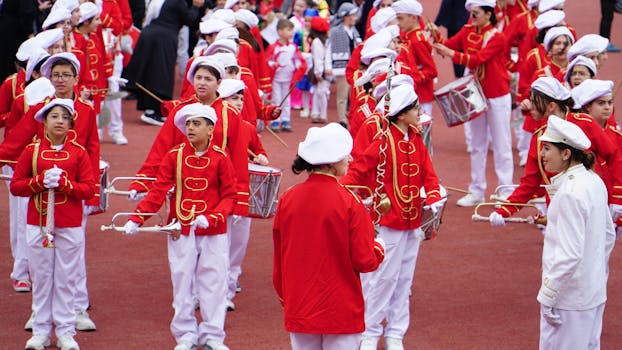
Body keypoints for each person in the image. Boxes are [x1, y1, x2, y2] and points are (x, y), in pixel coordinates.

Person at [123, 103, 237, 350]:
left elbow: (230, 196)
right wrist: (137, 217)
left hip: (213, 230)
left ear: (211, 129)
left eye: (197, 123)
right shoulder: (174, 156)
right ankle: (185, 334)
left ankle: (213, 335)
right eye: (188, 124)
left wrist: (214, 217)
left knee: (214, 282)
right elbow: (158, 191)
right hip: (180, 229)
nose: (191, 128)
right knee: (182, 281)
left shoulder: (221, 157)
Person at [340, 85, 445, 350]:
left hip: (413, 223)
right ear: (400, 114)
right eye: (414, 109)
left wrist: (433, 197)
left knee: (404, 279)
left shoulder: (417, 140)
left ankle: (396, 333)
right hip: (389, 222)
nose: (419, 112)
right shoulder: (383, 142)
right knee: (383, 279)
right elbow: (358, 170)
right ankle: (371, 332)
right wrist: (338, 188)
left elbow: (429, 176)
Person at [273, 122, 385, 350]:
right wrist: (380, 246)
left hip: (300, 303)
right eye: (346, 155)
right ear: (332, 162)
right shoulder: (349, 201)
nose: (350, 160)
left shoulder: (287, 198)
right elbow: (365, 260)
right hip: (340, 307)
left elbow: (279, 256)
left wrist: (287, 295)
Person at [10, 98, 96, 350]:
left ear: (71, 123)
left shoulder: (79, 152)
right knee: (42, 276)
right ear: (44, 122)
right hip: (37, 222)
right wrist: (39, 182)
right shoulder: (31, 151)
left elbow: (89, 189)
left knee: (67, 277)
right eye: (54, 116)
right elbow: (16, 186)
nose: (59, 121)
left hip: (69, 223)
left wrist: (66, 185)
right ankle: (41, 330)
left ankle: (66, 331)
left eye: (64, 117)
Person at [535, 116, 615, 349]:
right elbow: (608, 236)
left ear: (566, 153)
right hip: (593, 291)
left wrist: (547, 296)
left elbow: (570, 254)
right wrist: (595, 273)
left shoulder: (570, 192)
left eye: (548, 148)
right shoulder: (594, 180)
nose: (542, 155)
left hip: (568, 298)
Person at [432, 0, 514, 206]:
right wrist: (436, 37)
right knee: (477, 144)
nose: (472, 17)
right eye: (471, 13)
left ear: (488, 14)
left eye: (476, 13)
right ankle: (477, 190)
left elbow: (478, 59)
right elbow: (450, 43)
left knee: (501, 144)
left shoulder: (497, 36)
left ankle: (505, 190)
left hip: (496, 94)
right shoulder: (468, 31)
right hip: (475, 94)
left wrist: (451, 53)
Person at [123, 0, 205, 126]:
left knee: (151, 73)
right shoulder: (179, 2)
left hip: (151, 33)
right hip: (163, 38)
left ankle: (151, 109)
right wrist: (195, 7)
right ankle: (157, 110)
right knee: (161, 74)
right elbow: (189, 20)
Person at [265, 19, 308, 132]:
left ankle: (285, 120)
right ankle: (275, 120)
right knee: (276, 98)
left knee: (286, 99)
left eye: (292, 30)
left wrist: (298, 69)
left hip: (288, 78)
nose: (291, 32)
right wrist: (273, 65)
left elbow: (298, 60)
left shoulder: (293, 47)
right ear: (280, 31)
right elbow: (266, 61)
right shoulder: (273, 47)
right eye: (288, 30)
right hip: (276, 78)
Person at [330, 2, 361, 127]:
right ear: (345, 16)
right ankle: (342, 119)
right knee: (342, 95)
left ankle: (352, 117)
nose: (355, 18)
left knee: (354, 94)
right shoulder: (335, 31)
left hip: (354, 67)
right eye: (353, 15)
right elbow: (329, 48)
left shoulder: (354, 31)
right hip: (342, 66)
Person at [309, 16, 332, 124]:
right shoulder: (327, 41)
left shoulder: (316, 42)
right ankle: (318, 113)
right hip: (326, 69)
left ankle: (319, 114)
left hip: (320, 70)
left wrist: (318, 72)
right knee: (321, 91)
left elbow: (318, 58)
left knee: (319, 91)